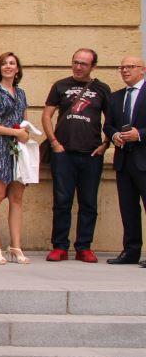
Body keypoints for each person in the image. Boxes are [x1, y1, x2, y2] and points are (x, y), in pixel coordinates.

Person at [42, 48, 112, 262]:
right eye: (75, 62)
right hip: (63, 153)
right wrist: (54, 143)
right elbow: (47, 115)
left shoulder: (102, 89)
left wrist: (105, 145)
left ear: (93, 67)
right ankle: (60, 246)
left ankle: (84, 247)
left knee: (88, 202)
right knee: (62, 200)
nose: (78, 67)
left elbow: (111, 121)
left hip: (91, 153)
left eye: (83, 63)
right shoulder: (60, 86)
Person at [0, 52, 31, 265]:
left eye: (12, 63)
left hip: (19, 149)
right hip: (0, 147)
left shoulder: (21, 94)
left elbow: (24, 122)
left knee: (17, 198)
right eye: (4, 64)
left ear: (17, 69)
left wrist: (26, 133)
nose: (8, 66)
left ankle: (16, 246)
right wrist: (15, 133)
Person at [104, 56, 146, 266]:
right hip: (124, 160)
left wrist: (140, 134)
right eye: (122, 67)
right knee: (128, 208)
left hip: (143, 159)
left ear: (142, 70)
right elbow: (108, 125)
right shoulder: (116, 97)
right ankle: (131, 252)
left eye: (130, 67)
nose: (125, 70)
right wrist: (114, 136)